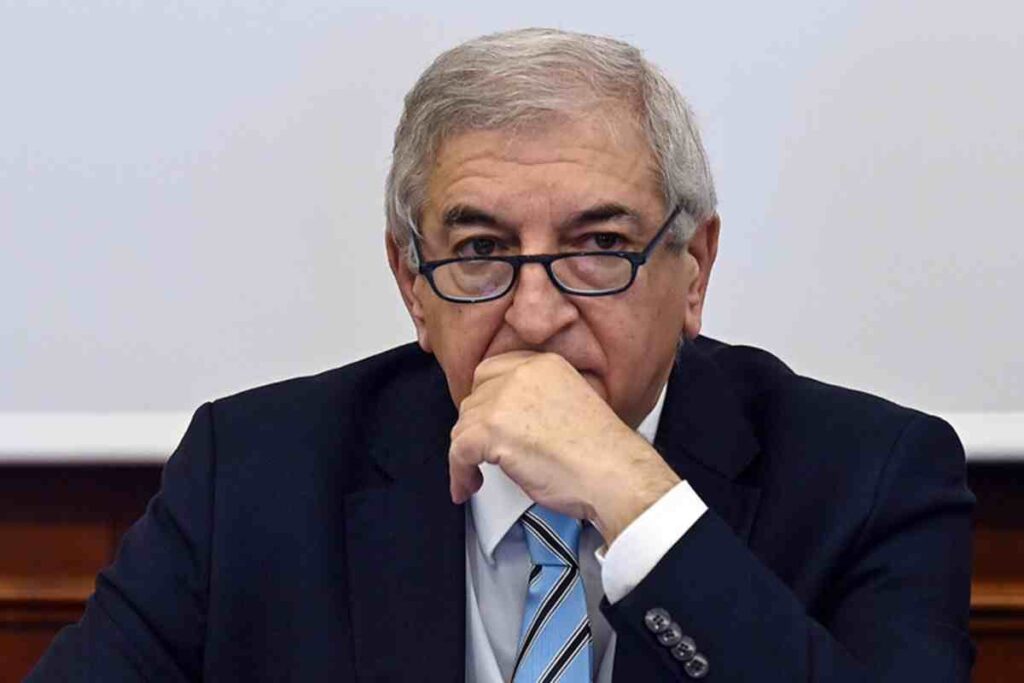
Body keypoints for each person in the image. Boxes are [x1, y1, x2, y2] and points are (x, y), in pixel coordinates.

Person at [28, 28, 973, 682]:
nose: (534, 313)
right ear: (412, 282)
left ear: (695, 270)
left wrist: (638, 503)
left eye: (599, 245)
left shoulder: (870, 479)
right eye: (481, 250)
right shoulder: (252, 476)